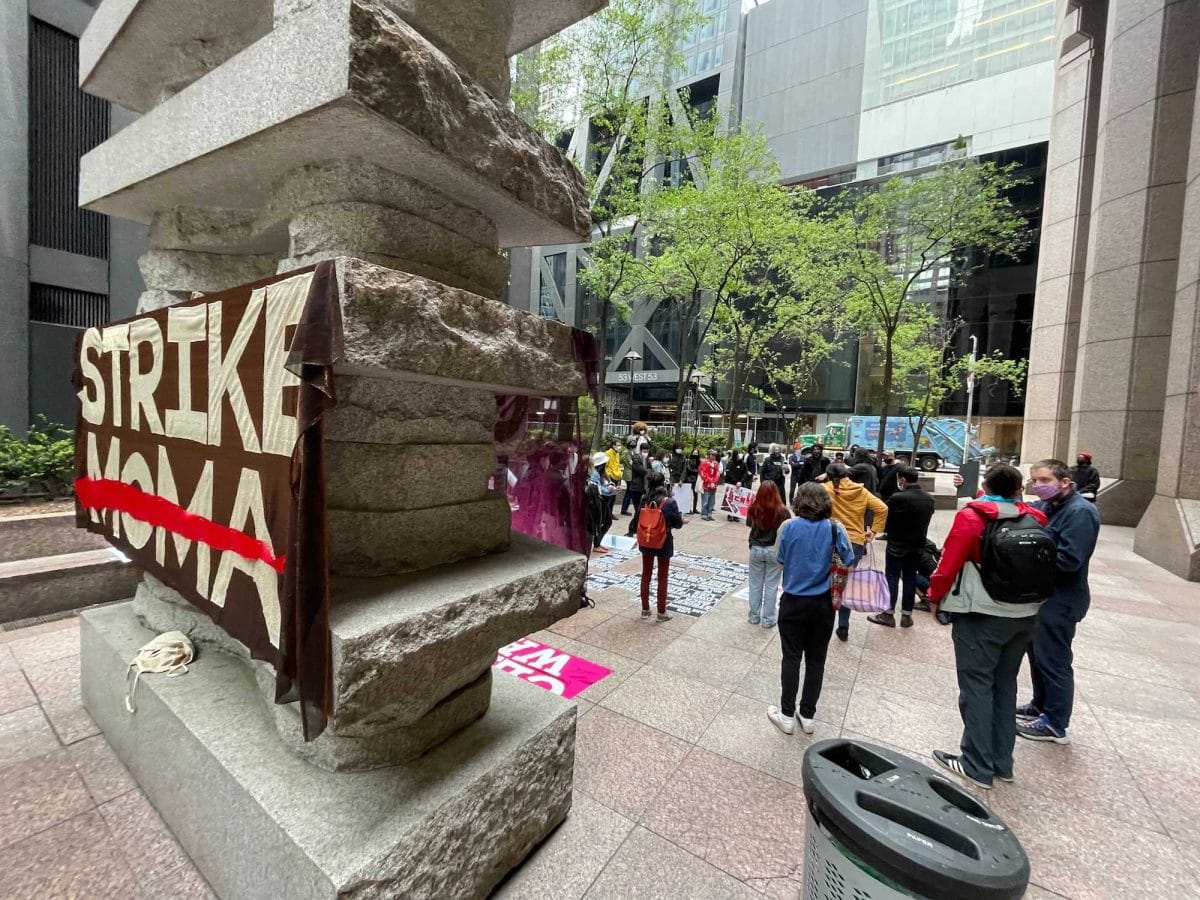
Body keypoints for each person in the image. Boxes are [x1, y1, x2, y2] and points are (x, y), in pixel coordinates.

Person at [927, 464, 1049, 790]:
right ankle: (1002, 762)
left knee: (977, 686)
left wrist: (934, 596)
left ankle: (976, 764)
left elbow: (949, 563)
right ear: (1019, 489)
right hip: (1025, 614)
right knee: (1005, 685)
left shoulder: (972, 518)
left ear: (986, 484)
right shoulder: (1036, 518)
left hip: (981, 614)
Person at [1016, 459, 1101, 745]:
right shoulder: (1048, 506)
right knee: (1037, 655)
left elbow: (1068, 560)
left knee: (1054, 660)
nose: (1038, 485)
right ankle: (1040, 705)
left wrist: (1024, 561)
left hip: (1061, 599)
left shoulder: (1080, 512)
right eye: (1034, 480)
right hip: (1042, 596)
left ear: (1064, 481)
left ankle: (1055, 723)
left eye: (1044, 480)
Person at [768, 482, 855, 735]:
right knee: (817, 660)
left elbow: (779, 560)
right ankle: (807, 714)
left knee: (791, 657)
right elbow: (849, 560)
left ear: (799, 501)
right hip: (823, 603)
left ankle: (786, 714)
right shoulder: (835, 528)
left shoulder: (788, 527)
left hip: (793, 601)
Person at [824, 463, 888, 642]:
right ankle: (843, 625)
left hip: (830, 539)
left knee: (827, 582)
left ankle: (826, 622)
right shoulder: (861, 491)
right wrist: (873, 531)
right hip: (855, 543)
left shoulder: (825, 489)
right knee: (846, 583)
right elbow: (882, 508)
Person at [868, 466, 934, 629]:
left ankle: (888, 614)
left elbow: (886, 517)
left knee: (892, 577)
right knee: (910, 578)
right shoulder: (928, 499)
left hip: (897, 544)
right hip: (917, 545)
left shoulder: (897, 497)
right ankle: (906, 615)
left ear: (903, 479)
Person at [637, 471, 684, 622]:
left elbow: (637, 518)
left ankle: (645, 609)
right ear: (663, 483)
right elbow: (677, 523)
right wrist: (681, 520)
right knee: (662, 576)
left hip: (646, 540)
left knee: (646, 574)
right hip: (664, 540)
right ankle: (661, 612)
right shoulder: (669, 502)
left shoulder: (644, 499)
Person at [745, 481, 790, 628]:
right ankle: (768, 619)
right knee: (771, 586)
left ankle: (754, 616)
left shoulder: (754, 508)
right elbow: (787, 530)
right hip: (773, 549)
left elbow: (749, 524)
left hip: (756, 548)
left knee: (755, 584)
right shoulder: (782, 511)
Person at [588, 452, 617, 553]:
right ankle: (596, 544)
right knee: (601, 522)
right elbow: (599, 490)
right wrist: (609, 490)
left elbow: (608, 481)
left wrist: (611, 485)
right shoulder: (595, 474)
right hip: (600, 501)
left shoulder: (603, 473)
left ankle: (598, 543)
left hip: (606, 501)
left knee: (607, 521)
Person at [624, 445, 647, 536]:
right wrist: (649, 471)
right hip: (637, 488)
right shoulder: (637, 460)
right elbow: (643, 471)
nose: (646, 452)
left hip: (641, 487)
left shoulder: (645, 460)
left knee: (640, 510)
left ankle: (636, 529)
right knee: (638, 510)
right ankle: (632, 529)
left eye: (647, 450)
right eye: (644, 450)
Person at [724, 449, 748, 522]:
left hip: (740, 484)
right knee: (731, 500)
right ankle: (729, 514)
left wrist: (741, 481)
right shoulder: (730, 463)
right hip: (732, 484)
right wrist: (735, 482)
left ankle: (736, 515)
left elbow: (745, 473)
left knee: (738, 500)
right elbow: (729, 473)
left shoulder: (743, 464)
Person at [699, 449, 721, 520]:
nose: (713, 456)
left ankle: (709, 513)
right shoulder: (704, 463)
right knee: (705, 500)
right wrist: (710, 482)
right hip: (706, 484)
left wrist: (714, 482)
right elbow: (703, 474)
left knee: (712, 501)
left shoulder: (716, 464)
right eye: (712, 455)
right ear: (708, 455)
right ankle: (704, 514)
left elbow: (717, 474)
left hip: (713, 485)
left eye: (714, 455)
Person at [618, 438, 635, 517]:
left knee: (629, 492)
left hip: (629, 473)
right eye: (632, 443)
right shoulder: (627, 452)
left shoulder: (629, 452)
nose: (633, 445)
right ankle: (624, 509)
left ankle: (624, 509)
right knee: (629, 492)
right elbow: (630, 463)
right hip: (628, 474)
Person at [684, 449, 702, 514]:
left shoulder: (699, 461)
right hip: (689, 479)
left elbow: (701, 469)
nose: (695, 454)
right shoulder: (688, 460)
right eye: (694, 453)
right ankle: (688, 509)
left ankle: (694, 509)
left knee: (696, 495)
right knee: (688, 495)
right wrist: (696, 471)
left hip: (696, 480)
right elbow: (688, 469)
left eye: (696, 453)